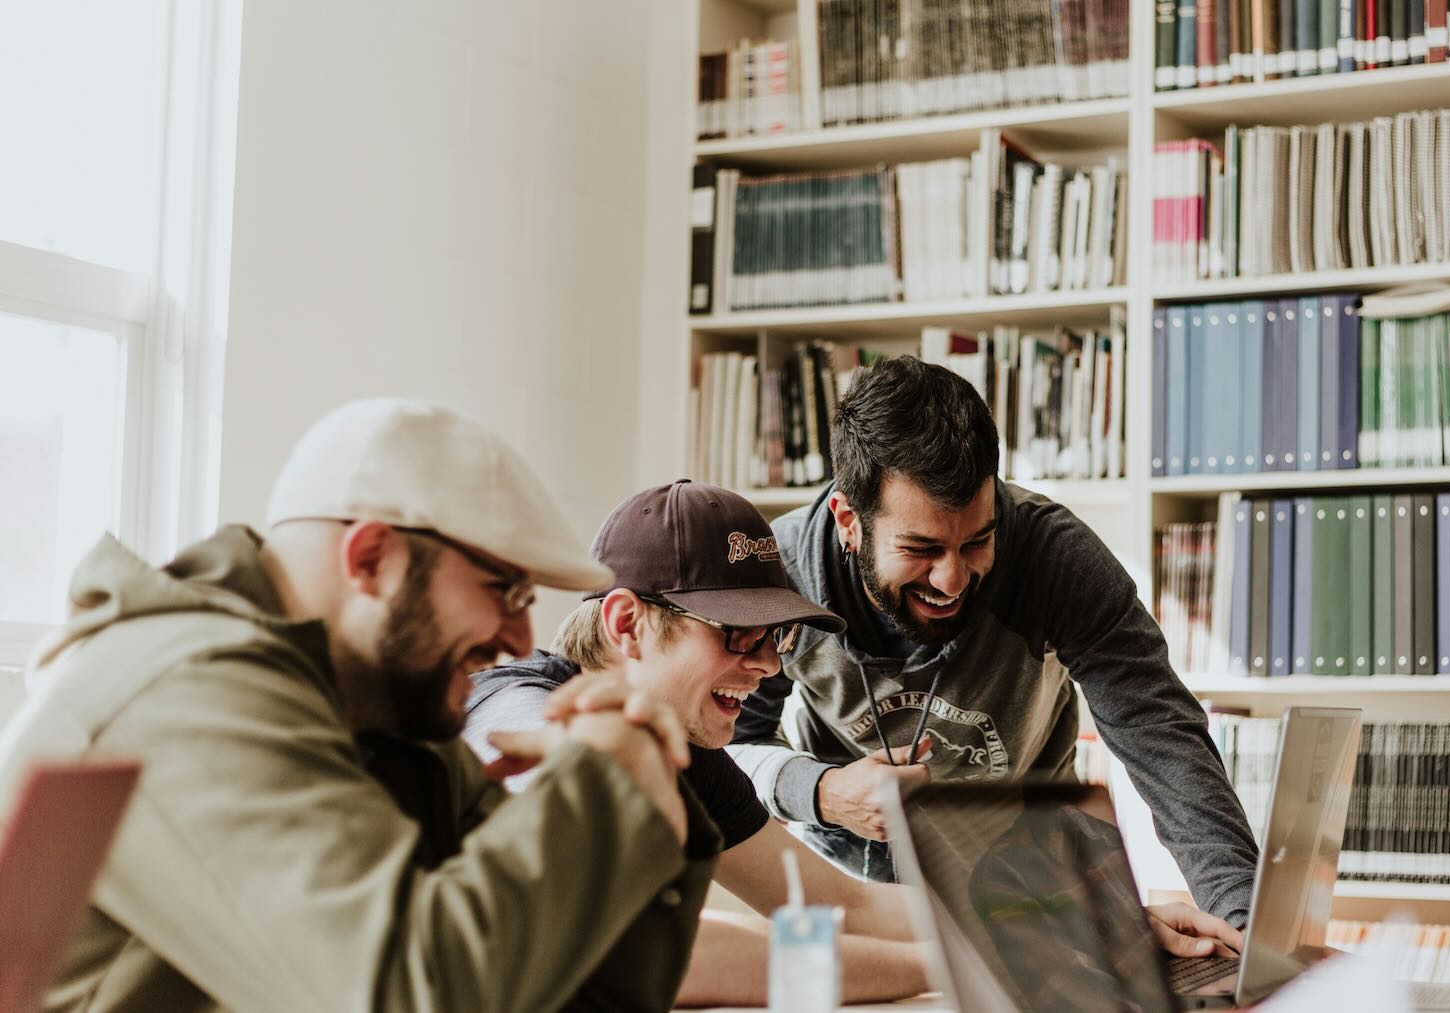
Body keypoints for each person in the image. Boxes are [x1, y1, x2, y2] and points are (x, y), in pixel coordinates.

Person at [0, 399, 716, 1012]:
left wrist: (647, 788)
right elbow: (408, 992)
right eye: (503, 589)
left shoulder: (383, 715)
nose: (521, 637)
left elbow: (581, 993)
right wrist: (600, 783)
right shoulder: (183, 693)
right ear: (371, 557)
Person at [464, 480, 1233, 1006]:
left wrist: (1084, 922)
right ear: (627, 622)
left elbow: (837, 901)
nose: (767, 665)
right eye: (738, 635)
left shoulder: (685, 747)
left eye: (778, 638)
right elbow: (652, 948)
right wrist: (994, 960)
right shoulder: (520, 714)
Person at [727, 355, 1261, 938]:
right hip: (850, 894)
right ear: (849, 520)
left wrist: (1245, 928)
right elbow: (725, 750)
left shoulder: (1055, 559)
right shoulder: (779, 577)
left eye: (977, 541)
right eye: (921, 549)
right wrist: (821, 791)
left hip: (1028, 883)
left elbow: (1162, 737)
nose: (952, 580)